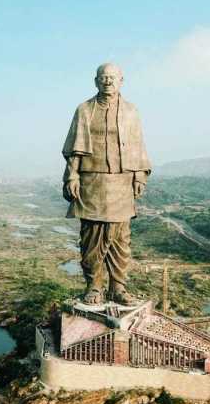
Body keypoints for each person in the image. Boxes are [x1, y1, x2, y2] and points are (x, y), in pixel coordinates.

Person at [61, 63, 151, 304]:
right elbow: (74, 149)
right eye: (104, 78)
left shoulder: (132, 111)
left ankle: (118, 287)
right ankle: (94, 286)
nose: (108, 81)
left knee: (121, 238)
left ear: (121, 80)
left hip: (122, 182)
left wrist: (140, 175)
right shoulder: (84, 110)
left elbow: (138, 145)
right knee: (92, 236)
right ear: (96, 81)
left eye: (112, 78)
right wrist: (72, 175)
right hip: (93, 181)